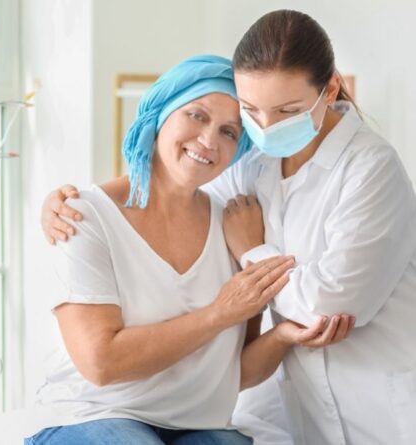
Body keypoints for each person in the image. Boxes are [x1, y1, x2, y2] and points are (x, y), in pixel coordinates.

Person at [43, 10, 416, 445]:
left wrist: (252, 252)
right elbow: (171, 184)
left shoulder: (371, 167)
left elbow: (329, 305)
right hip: (260, 408)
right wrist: (64, 201)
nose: (268, 127)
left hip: (371, 399)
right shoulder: (251, 164)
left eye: (288, 110)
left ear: (330, 88)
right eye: (252, 111)